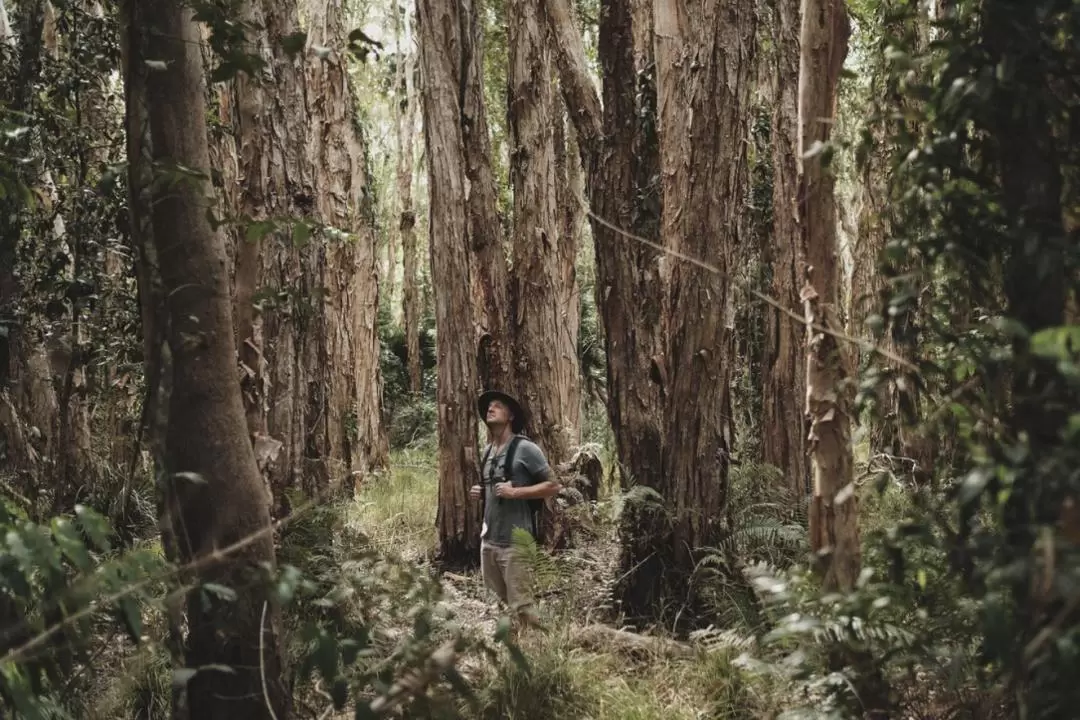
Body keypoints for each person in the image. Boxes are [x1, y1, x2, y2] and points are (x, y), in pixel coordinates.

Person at [469, 390, 561, 630]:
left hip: (515, 543)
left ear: (510, 416)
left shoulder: (526, 448)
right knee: (499, 608)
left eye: (498, 406)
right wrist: (482, 492)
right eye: (489, 406)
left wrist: (516, 493)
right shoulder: (487, 451)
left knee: (522, 608)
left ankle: (533, 656)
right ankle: (510, 655)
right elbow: (496, 489)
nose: (491, 408)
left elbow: (553, 485)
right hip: (488, 543)